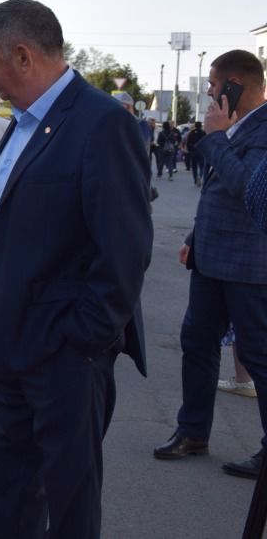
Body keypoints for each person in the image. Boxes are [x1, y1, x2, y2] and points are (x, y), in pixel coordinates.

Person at [0, 0, 150, 539]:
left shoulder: (102, 123)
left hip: (64, 354)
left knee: (69, 500)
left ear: (23, 54)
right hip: (10, 342)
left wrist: (81, 338)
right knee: (11, 491)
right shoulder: (21, 125)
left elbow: (124, 249)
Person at [153, 49, 267, 480]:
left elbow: (246, 188)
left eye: (215, 86)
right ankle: (193, 430)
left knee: (258, 355)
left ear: (236, 84)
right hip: (211, 260)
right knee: (197, 343)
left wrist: (216, 137)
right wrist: (193, 239)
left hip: (250, 267)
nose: (210, 95)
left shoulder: (261, 129)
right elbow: (217, 195)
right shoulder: (238, 128)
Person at [187, 122, 207, 186]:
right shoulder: (203, 133)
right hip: (201, 151)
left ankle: (195, 179)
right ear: (201, 126)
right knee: (202, 166)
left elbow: (188, 143)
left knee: (194, 166)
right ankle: (201, 176)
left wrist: (190, 150)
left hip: (193, 151)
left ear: (195, 126)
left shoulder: (191, 133)